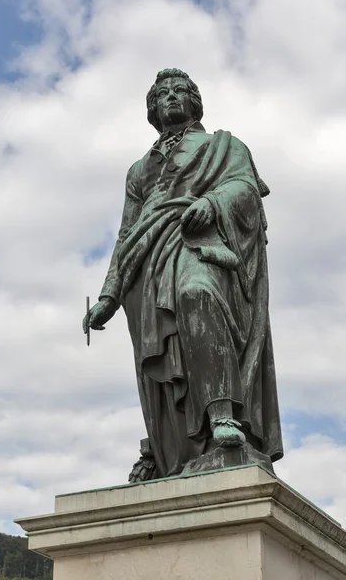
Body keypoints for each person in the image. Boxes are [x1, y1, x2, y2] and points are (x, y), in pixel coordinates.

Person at [83, 68, 283, 479]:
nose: (171, 97)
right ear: (153, 110)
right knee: (160, 357)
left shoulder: (223, 147)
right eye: (162, 94)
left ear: (195, 102)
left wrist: (212, 203)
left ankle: (223, 412)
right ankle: (172, 450)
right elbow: (126, 232)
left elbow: (245, 189)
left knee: (197, 295)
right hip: (147, 267)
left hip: (201, 244)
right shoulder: (139, 170)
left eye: (180, 91)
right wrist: (109, 294)